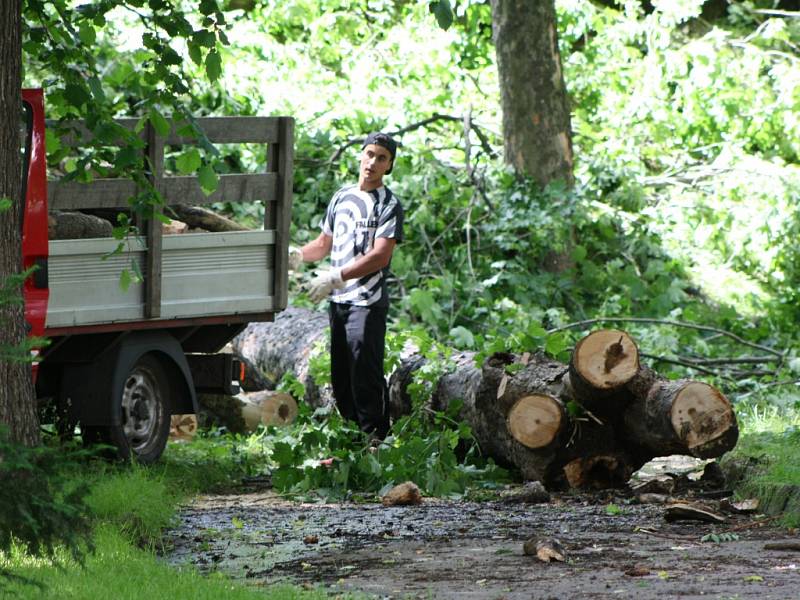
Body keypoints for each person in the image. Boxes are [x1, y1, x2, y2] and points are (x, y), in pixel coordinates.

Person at [288, 132, 404, 440]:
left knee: (365, 378)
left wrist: (335, 276)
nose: (373, 162)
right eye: (369, 154)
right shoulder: (341, 197)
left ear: (389, 165)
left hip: (367, 303)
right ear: (360, 156)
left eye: (382, 158)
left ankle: (377, 444)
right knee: (341, 379)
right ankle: (353, 446)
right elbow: (323, 244)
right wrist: (298, 254)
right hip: (338, 301)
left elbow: (380, 255)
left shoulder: (389, 204)